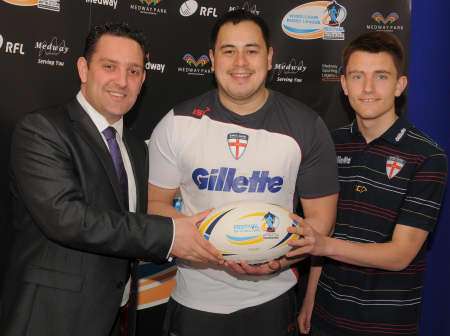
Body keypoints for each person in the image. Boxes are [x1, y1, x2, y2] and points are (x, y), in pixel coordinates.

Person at [0, 22, 221, 336]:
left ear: (143, 78)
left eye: (133, 71)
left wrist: (226, 243)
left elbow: (132, 225)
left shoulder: (135, 148)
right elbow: (68, 219)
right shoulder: (42, 130)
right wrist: (171, 234)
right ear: (83, 69)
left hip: (116, 316)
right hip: (51, 317)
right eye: (109, 67)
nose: (122, 81)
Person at [147, 9, 339, 336]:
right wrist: (206, 247)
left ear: (269, 57)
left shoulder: (307, 126)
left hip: (271, 300)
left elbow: (322, 220)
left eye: (251, 50)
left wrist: (281, 257)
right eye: (228, 51)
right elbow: (154, 206)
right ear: (211, 58)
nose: (240, 62)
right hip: (196, 301)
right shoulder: (177, 123)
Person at [289, 31, 448, 336]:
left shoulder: (427, 156)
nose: (368, 88)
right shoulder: (329, 144)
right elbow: (324, 230)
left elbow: (400, 254)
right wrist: (310, 297)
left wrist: (324, 244)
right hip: (325, 316)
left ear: (400, 85)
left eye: (381, 77)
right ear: (344, 84)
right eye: (357, 76)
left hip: (387, 323)